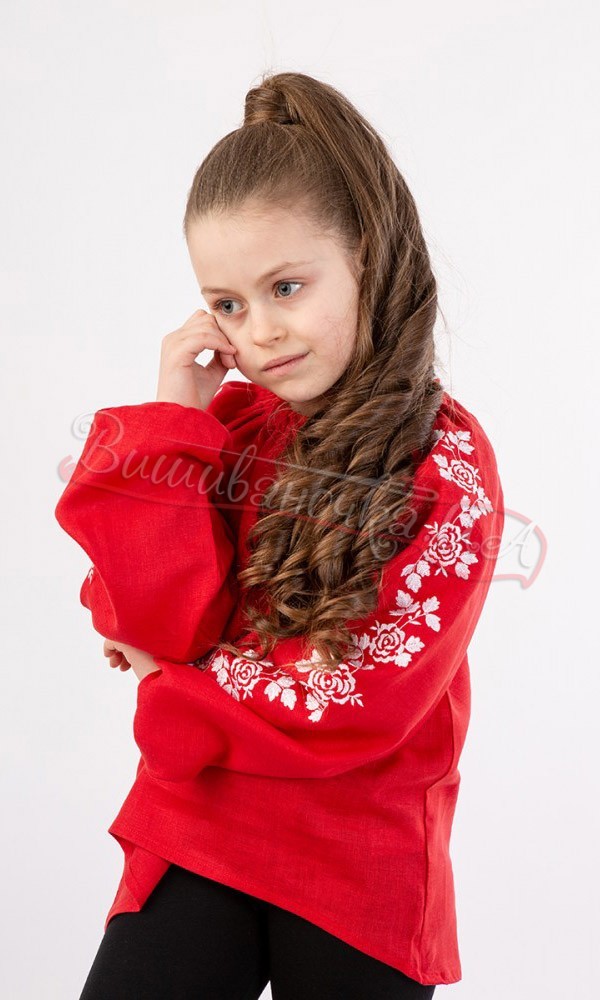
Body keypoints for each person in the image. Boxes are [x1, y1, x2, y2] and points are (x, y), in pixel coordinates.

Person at [55, 70, 505, 998]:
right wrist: (175, 419)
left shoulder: (444, 463)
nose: (259, 332)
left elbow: (355, 697)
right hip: (202, 823)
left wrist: (170, 683)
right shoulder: (227, 433)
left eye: (287, 287)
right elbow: (152, 617)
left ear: (367, 255)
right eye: (227, 305)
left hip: (359, 859)